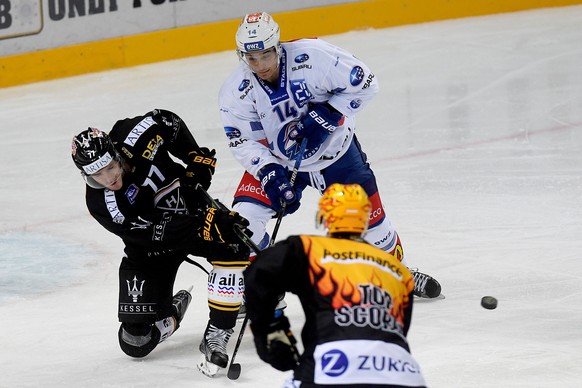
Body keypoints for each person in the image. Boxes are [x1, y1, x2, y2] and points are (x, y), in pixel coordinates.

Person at [218, 11, 440, 299]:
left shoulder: (314, 56)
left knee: (373, 228)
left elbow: (366, 83)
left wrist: (329, 114)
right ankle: (264, 289)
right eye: (251, 58)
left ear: (277, 45)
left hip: (336, 155)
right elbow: (243, 140)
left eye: (265, 55)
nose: (259, 65)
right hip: (281, 161)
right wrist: (270, 173)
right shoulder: (236, 90)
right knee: (243, 223)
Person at [71, 109, 252, 375]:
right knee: (135, 342)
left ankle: (219, 331)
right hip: (150, 248)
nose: (109, 179)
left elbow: (170, 122)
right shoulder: (103, 205)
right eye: (97, 175)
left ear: (115, 152)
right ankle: (173, 313)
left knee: (234, 244)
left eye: (110, 167)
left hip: (190, 209)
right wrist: (208, 223)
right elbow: (156, 232)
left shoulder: (135, 134)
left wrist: (192, 155)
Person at [244, 183, 427, 387]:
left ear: (325, 217)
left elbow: (258, 274)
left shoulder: (310, 249)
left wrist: (272, 331)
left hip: (331, 368)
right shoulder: (398, 271)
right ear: (365, 219)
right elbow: (397, 327)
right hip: (403, 374)